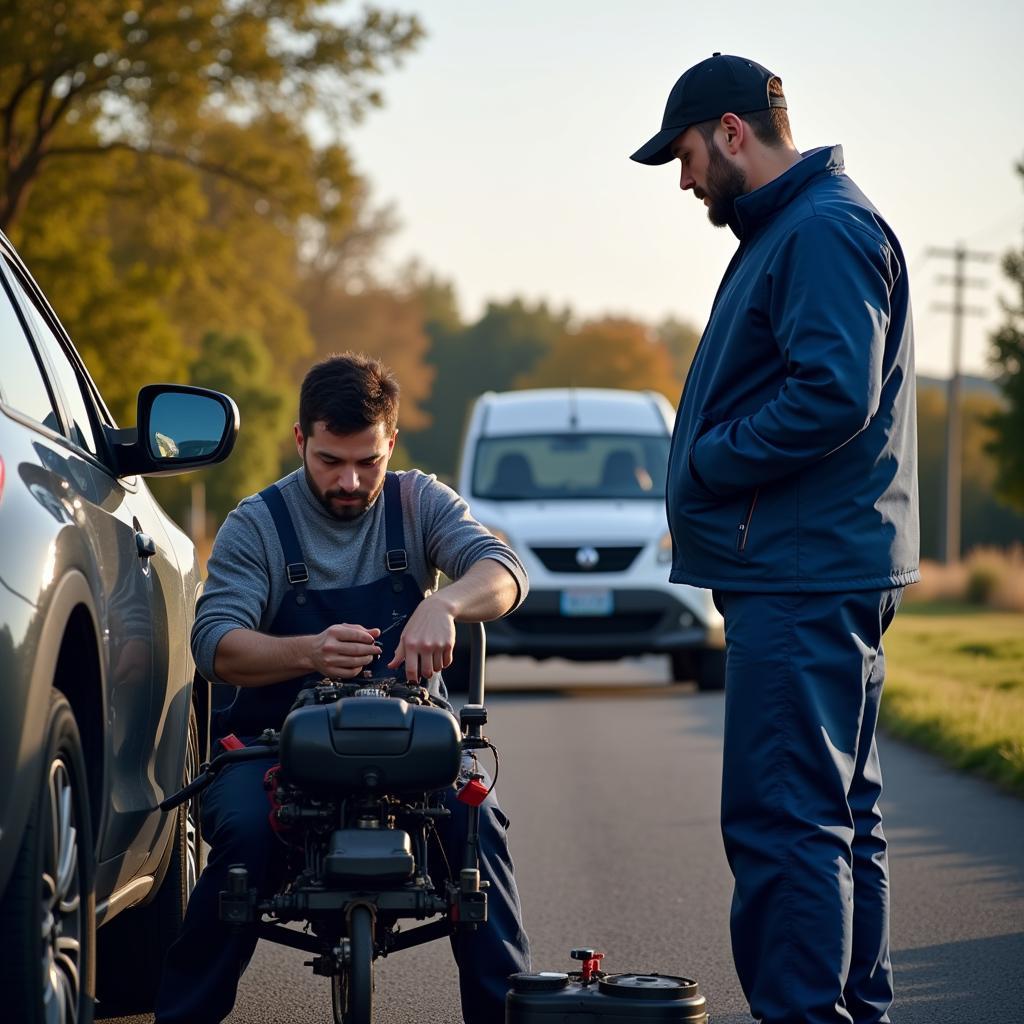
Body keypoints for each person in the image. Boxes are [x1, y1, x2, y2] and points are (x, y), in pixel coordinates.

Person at [631, 54, 919, 1024]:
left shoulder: (821, 229)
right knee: (837, 819)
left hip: (802, 574)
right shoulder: (794, 228)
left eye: (683, 155)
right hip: (816, 563)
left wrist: (709, 460)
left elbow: (833, 391)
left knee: (786, 822)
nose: (683, 179)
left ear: (731, 130)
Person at [154, 352, 531, 1024]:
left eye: (368, 461)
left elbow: (503, 570)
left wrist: (444, 606)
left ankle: (504, 1012)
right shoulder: (257, 523)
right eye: (330, 460)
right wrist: (308, 651)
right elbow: (214, 642)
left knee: (478, 821)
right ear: (301, 440)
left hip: (413, 744)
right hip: (272, 749)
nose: (350, 481)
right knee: (243, 837)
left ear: (391, 443)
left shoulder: (420, 502)